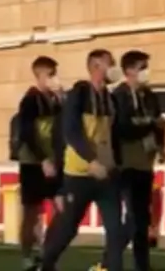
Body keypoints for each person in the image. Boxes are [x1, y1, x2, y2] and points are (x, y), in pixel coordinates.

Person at [38, 49, 124, 271]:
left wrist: (116, 163)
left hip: (107, 174)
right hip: (79, 174)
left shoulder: (110, 99)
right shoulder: (79, 93)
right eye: (110, 63)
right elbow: (71, 131)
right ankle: (46, 264)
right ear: (96, 67)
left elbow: (113, 134)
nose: (114, 68)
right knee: (68, 227)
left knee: (116, 230)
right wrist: (91, 160)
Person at [113, 51, 164, 271]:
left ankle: (141, 264)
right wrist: (147, 124)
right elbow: (123, 128)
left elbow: (159, 121)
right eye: (142, 67)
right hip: (125, 161)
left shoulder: (149, 95)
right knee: (133, 214)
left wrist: (160, 145)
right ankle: (110, 258)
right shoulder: (119, 96)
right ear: (129, 71)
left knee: (142, 215)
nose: (146, 72)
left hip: (145, 160)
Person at [13, 56, 64, 270]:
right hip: (33, 162)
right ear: (40, 75)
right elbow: (26, 132)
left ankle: (47, 252)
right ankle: (26, 256)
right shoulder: (30, 99)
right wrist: (41, 158)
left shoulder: (56, 99)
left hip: (54, 160)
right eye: (51, 74)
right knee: (31, 213)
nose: (55, 78)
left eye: (55, 73)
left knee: (63, 209)